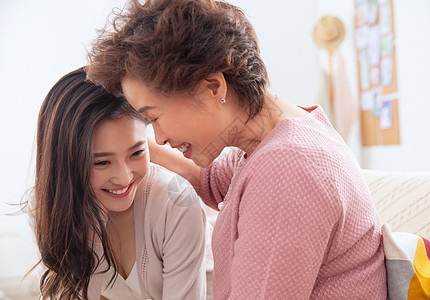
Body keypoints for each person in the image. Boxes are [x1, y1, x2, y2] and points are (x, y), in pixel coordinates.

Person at [87, 0, 387, 298]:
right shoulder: (284, 137)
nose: (160, 137)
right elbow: (213, 182)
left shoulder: (287, 172)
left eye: (154, 117)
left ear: (213, 88)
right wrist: (128, 150)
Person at [31, 67, 207, 300]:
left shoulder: (176, 204)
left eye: (136, 153)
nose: (124, 178)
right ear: (67, 164)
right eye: (102, 162)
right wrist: (91, 233)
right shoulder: (54, 204)